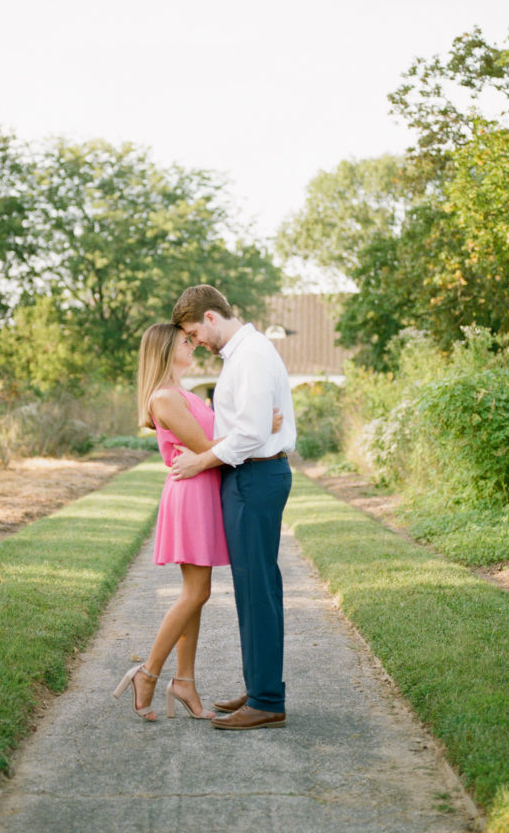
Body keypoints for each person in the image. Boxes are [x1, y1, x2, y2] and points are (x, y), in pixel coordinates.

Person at [113, 322, 281, 722]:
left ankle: (184, 680)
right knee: (195, 592)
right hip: (191, 494)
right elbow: (208, 448)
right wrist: (259, 431)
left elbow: (218, 440)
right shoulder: (165, 398)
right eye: (185, 341)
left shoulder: (184, 394)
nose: (193, 345)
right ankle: (149, 673)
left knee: (198, 591)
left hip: (204, 487)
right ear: (166, 350)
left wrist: (251, 429)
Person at [170, 285, 296, 731]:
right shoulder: (244, 355)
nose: (195, 342)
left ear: (209, 317)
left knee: (256, 588)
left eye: (192, 332)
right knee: (255, 589)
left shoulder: (251, 355)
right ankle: (262, 685)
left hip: (255, 478)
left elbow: (251, 435)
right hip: (250, 476)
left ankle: (266, 701)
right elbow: (249, 424)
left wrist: (200, 461)